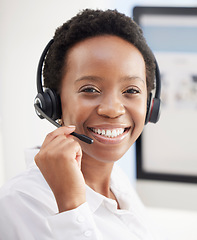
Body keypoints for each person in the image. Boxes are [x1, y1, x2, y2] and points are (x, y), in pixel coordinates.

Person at [0, 9, 164, 240]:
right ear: (52, 103)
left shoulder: (117, 183)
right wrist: (71, 206)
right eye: (90, 90)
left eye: (131, 90)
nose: (113, 109)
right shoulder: (18, 204)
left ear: (150, 105)